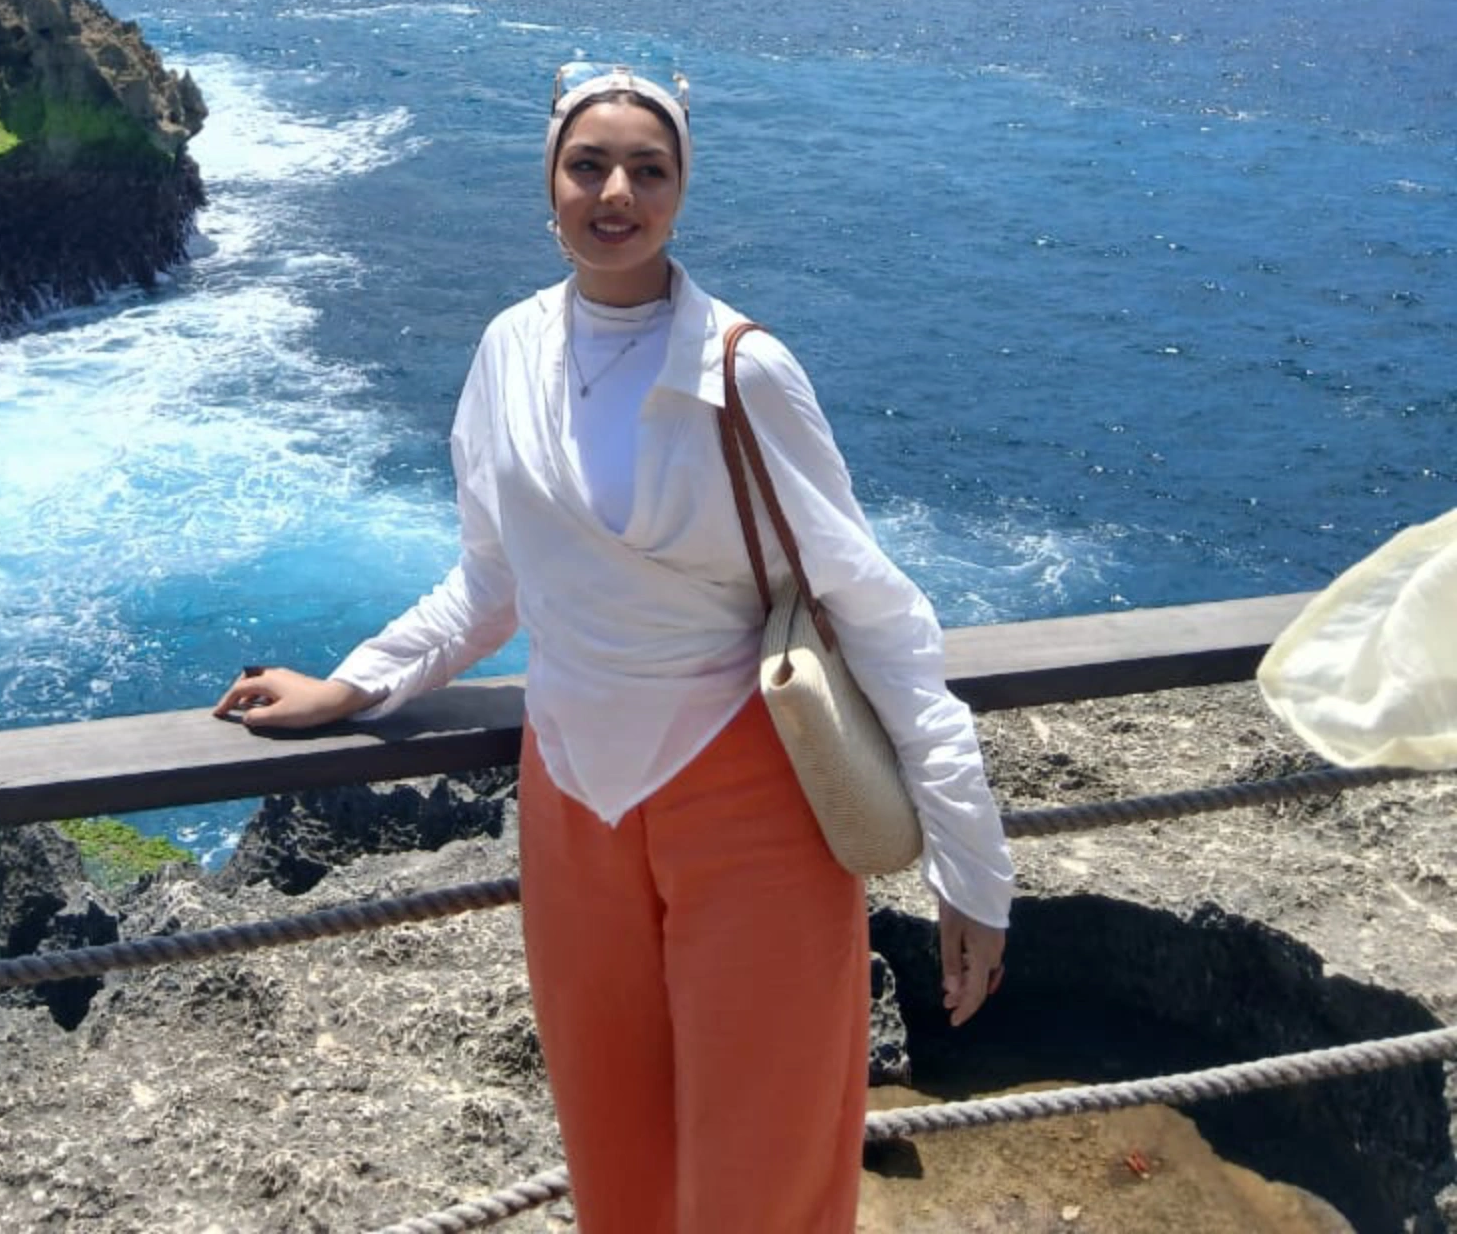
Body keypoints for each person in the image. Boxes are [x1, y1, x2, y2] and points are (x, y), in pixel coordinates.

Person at [216, 62, 1011, 1234]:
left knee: (768, 1165)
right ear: (549, 181)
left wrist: (972, 867)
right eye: (589, 165)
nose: (617, 192)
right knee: (614, 1153)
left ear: (683, 189)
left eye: (649, 168)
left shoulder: (743, 369)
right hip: (572, 797)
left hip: (752, 798)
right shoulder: (508, 350)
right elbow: (491, 583)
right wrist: (351, 685)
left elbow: (881, 619)